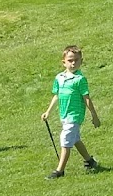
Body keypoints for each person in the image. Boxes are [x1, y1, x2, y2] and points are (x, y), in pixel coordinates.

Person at [42, 45, 100, 179]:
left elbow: (87, 98)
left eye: (76, 60)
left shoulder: (80, 79)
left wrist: (94, 116)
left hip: (75, 115)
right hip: (64, 114)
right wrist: (48, 112)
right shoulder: (59, 78)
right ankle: (90, 161)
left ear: (81, 61)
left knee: (65, 139)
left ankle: (59, 171)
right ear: (64, 62)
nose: (73, 63)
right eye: (70, 60)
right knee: (75, 139)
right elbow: (56, 95)